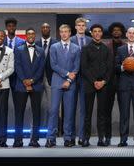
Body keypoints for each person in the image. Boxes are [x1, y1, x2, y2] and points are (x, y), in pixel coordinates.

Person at [46, 24, 81, 148]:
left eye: (66, 31)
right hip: (57, 81)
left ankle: (68, 138)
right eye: (62, 32)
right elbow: (53, 65)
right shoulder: (54, 47)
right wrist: (67, 74)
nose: (64, 34)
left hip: (71, 83)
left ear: (70, 33)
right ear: (59, 33)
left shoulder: (76, 48)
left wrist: (69, 80)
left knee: (69, 112)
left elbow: (76, 67)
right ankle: (51, 138)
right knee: (54, 111)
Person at [80, 24, 113, 147]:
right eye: (95, 31)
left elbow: (110, 68)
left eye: (99, 31)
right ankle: (86, 138)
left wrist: (103, 81)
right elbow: (84, 68)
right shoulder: (85, 48)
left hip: (103, 85)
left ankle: (101, 138)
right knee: (87, 113)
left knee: (102, 113)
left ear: (101, 33)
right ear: (91, 33)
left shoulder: (107, 49)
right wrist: (94, 81)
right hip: (89, 84)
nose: (97, 33)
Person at [12, 28, 45, 148]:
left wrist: (32, 81)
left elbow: (41, 68)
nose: (31, 35)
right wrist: (25, 80)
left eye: (33, 33)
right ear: (25, 36)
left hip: (36, 85)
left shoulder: (41, 51)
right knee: (19, 113)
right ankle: (18, 140)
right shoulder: (18, 49)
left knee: (36, 114)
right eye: (29, 34)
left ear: (34, 35)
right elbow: (17, 66)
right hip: (21, 85)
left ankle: (34, 140)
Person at [70, 17, 92, 145]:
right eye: (79, 25)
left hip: (85, 79)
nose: (81, 27)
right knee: (70, 109)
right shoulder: (70, 39)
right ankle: (71, 137)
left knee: (84, 110)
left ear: (85, 27)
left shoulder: (90, 41)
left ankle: (82, 137)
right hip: (72, 78)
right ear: (76, 27)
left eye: (83, 25)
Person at [105, 22, 126, 145]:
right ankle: (107, 137)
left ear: (122, 32)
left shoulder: (126, 46)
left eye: (119, 30)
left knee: (124, 111)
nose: (116, 32)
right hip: (109, 82)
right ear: (112, 32)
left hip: (123, 81)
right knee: (107, 111)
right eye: (114, 30)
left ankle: (123, 138)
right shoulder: (106, 46)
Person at [35, 23, 58, 127]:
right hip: (37, 79)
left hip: (51, 78)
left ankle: (52, 133)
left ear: (50, 29)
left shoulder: (56, 43)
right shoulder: (35, 43)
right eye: (43, 27)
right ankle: (33, 133)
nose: (45, 29)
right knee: (35, 106)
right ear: (41, 29)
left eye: (47, 27)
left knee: (52, 107)